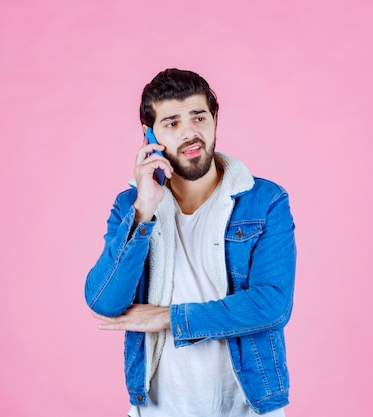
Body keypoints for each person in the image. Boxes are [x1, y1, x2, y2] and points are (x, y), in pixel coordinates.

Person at [85, 68, 296, 416]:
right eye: (171, 123)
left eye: (198, 117)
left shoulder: (264, 200)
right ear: (149, 134)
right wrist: (144, 210)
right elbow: (105, 301)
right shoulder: (131, 206)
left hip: (248, 406)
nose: (189, 133)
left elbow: (272, 304)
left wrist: (171, 318)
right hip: (157, 408)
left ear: (214, 119)